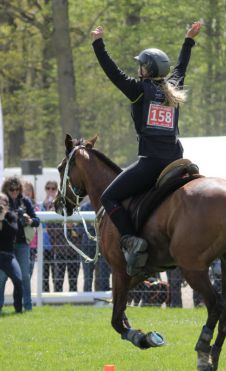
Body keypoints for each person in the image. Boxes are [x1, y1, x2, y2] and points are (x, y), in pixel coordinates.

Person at [91, 21, 201, 276]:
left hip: (151, 163)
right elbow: (182, 65)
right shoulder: (172, 86)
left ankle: (130, 239)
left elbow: (113, 72)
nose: (137, 69)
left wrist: (98, 44)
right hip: (177, 160)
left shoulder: (139, 90)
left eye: (140, 65)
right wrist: (188, 40)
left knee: (108, 197)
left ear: (146, 69)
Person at [0, 176, 40, 311]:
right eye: (11, 189)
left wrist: (29, 220)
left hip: (22, 243)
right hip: (5, 246)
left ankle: (27, 306)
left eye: (17, 189)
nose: (14, 192)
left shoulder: (25, 202)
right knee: (2, 277)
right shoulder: (2, 201)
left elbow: (37, 220)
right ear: (6, 188)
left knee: (25, 276)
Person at [78, 197, 111, 291]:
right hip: (87, 246)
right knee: (88, 276)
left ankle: (103, 297)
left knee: (104, 275)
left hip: (103, 245)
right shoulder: (84, 207)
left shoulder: (106, 206)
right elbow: (80, 228)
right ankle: (87, 298)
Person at [0, 192, 22, 314]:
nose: (1, 206)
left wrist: (3, 219)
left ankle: (18, 308)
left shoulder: (11, 216)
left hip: (8, 256)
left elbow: (13, 231)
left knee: (18, 280)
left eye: (4, 203)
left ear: (8, 206)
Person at [40, 181, 58, 292]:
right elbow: (41, 224)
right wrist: (46, 207)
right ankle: (45, 294)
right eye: (48, 188)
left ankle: (56, 295)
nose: (50, 191)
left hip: (56, 245)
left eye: (53, 188)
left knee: (56, 274)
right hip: (44, 245)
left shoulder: (59, 205)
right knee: (44, 274)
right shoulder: (41, 206)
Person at [22, 180, 39, 277]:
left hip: (33, 245)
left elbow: (37, 220)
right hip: (22, 243)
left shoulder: (36, 206)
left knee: (30, 272)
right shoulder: (18, 205)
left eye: (29, 189)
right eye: (25, 189)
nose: (27, 191)